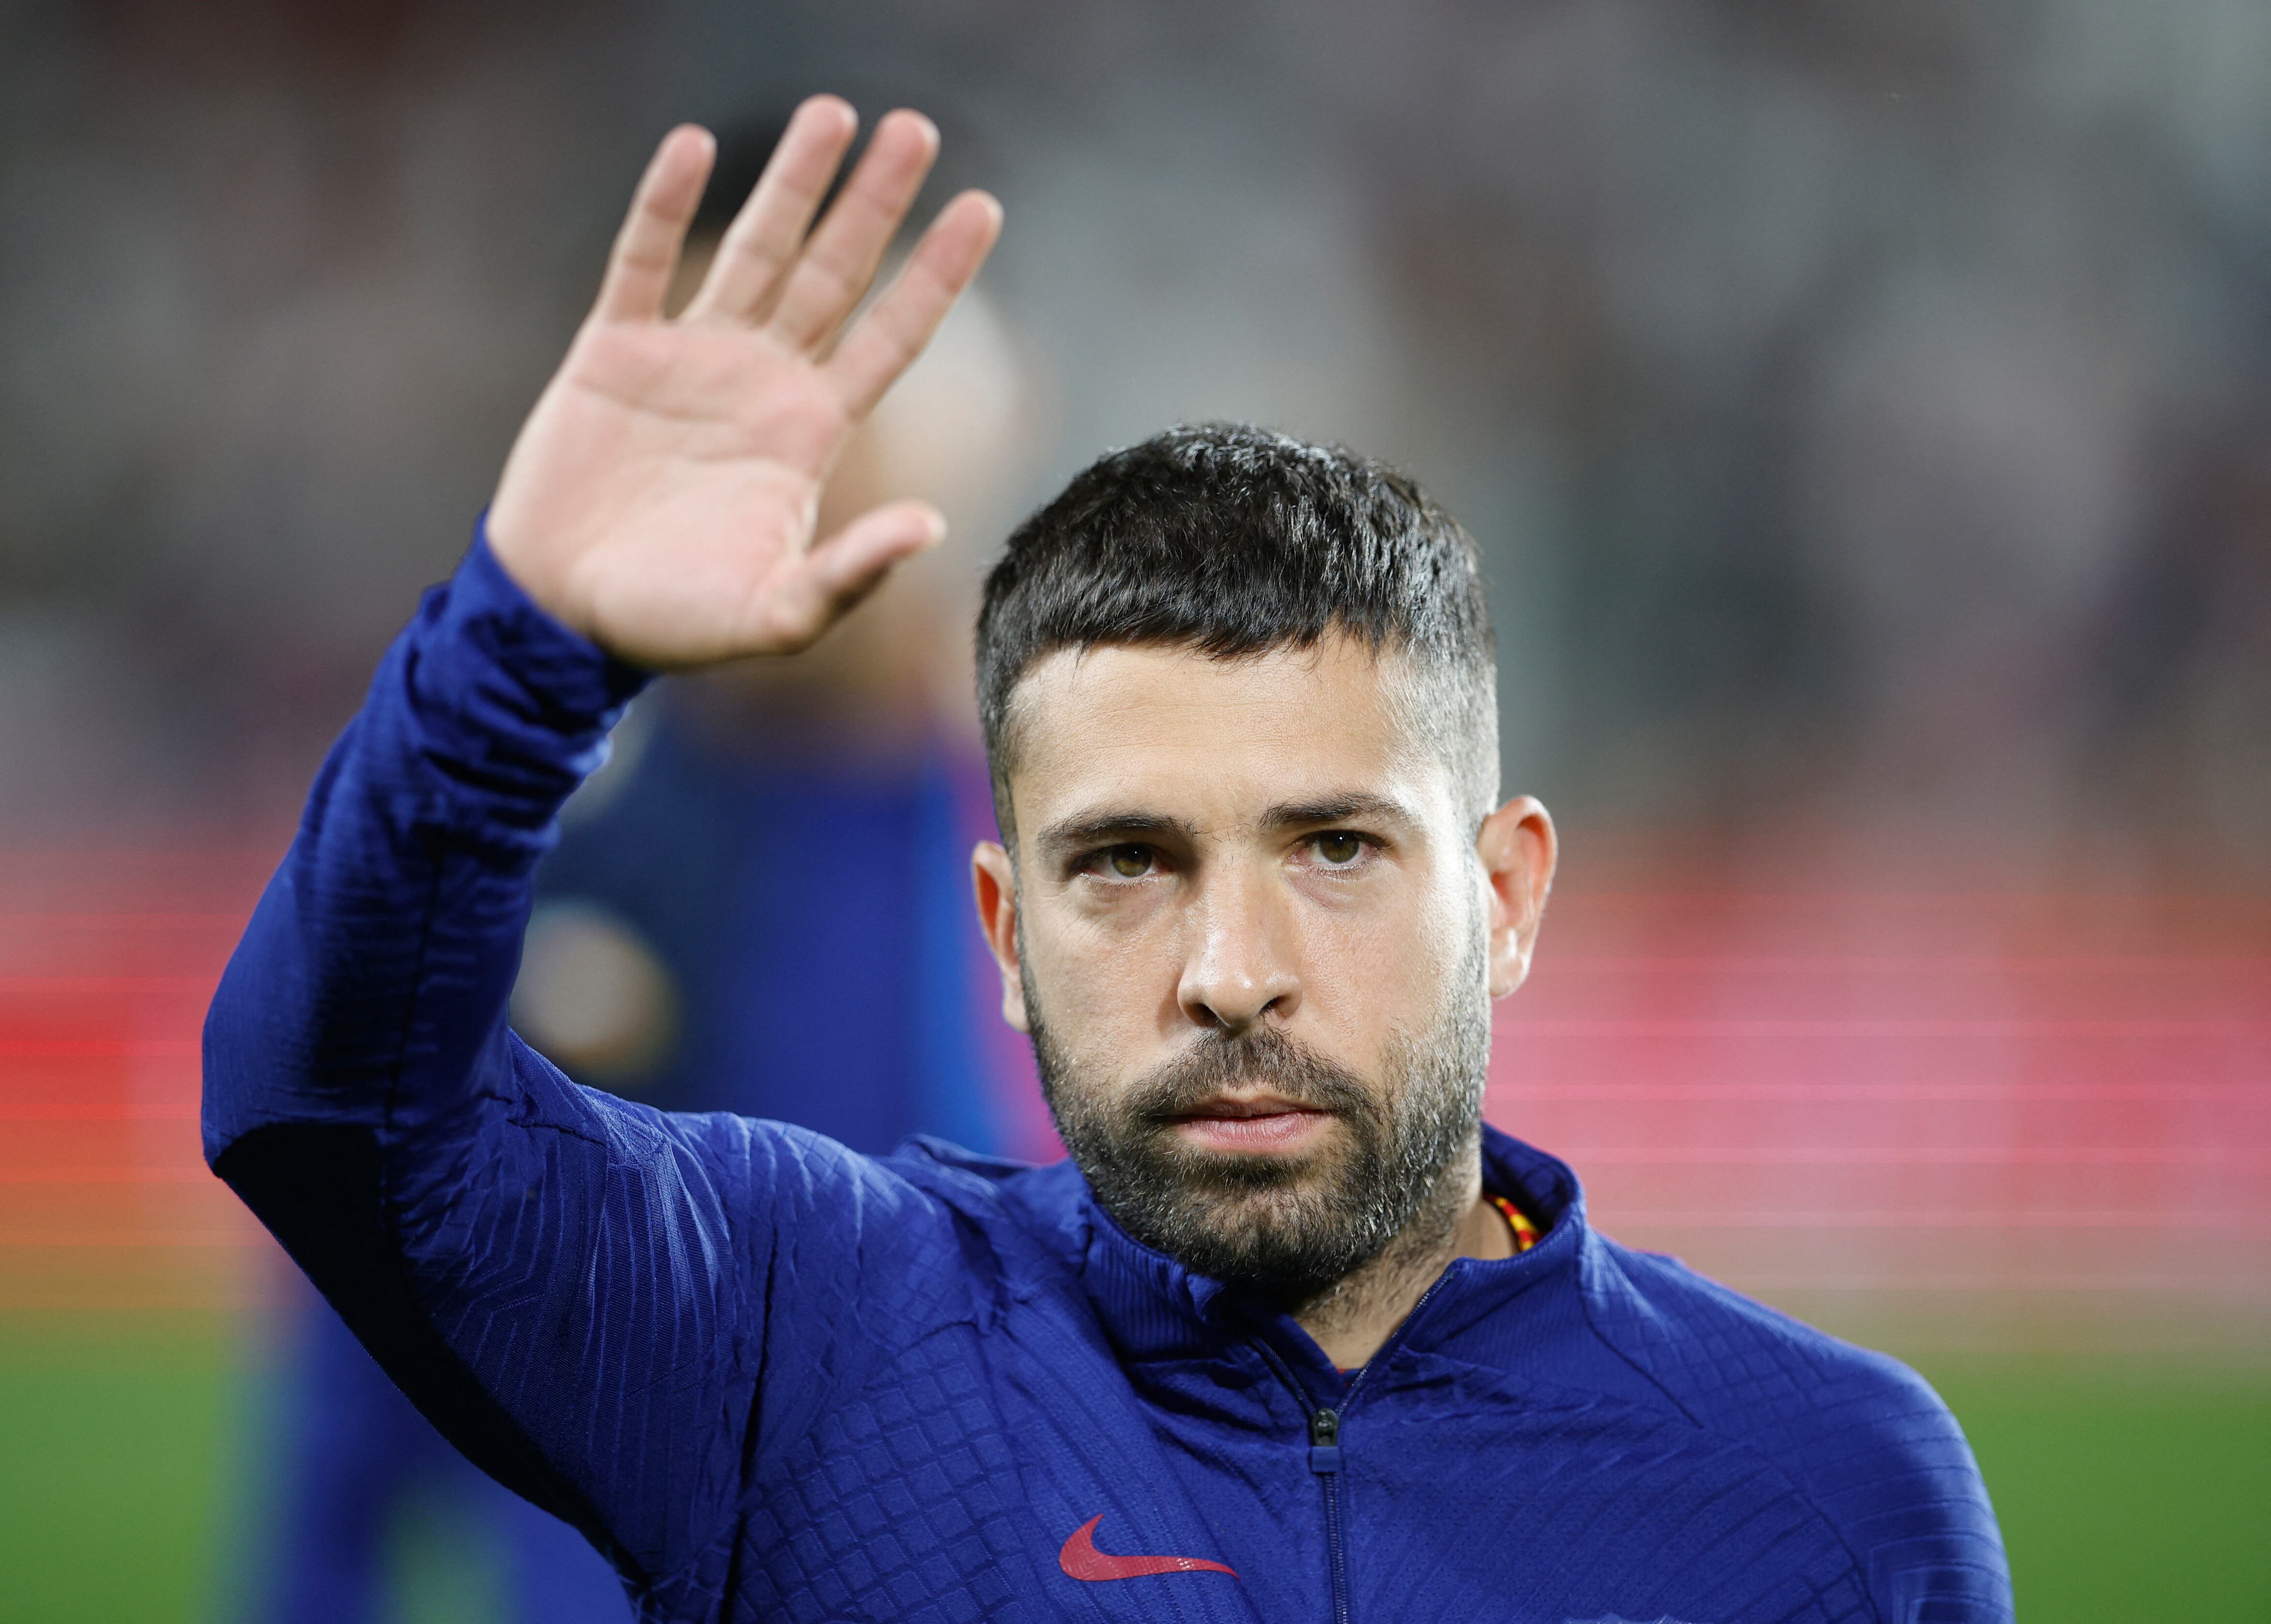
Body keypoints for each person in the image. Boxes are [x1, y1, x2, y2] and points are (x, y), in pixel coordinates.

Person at [203, 95, 2011, 1621]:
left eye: (1334, 848)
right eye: (1127, 864)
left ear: (1511, 893)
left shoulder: (1840, 1503)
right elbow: (333, 1113)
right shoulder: (805, 1350)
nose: (1232, 969)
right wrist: (526, 644)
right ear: (1005, 922)